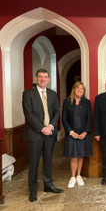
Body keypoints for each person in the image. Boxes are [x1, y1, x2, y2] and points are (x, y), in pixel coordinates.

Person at [22, 68, 63, 202]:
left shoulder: (52, 94)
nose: (43, 79)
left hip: (50, 133)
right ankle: (33, 189)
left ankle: (48, 185)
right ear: (36, 78)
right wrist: (42, 128)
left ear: (49, 79)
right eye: (40, 77)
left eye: (45, 77)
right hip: (35, 134)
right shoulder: (28, 94)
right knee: (33, 163)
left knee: (48, 161)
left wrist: (50, 126)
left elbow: (57, 111)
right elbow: (29, 114)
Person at [62, 82, 93, 188]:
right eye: (78, 88)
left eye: (82, 89)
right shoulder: (67, 102)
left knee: (81, 156)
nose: (80, 90)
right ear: (74, 89)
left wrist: (85, 132)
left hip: (83, 133)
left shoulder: (87, 102)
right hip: (72, 134)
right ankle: (73, 177)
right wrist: (71, 132)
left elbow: (89, 118)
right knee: (74, 157)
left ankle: (79, 175)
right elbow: (64, 119)